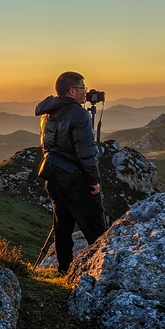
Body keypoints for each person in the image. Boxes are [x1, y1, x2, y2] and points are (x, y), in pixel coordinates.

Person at [35, 71, 108, 275]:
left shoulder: (49, 112)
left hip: (54, 176)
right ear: (72, 90)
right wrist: (93, 181)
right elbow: (86, 152)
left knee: (63, 227)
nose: (86, 92)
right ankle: (104, 271)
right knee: (96, 229)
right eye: (83, 88)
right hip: (75, 180)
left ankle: (64, 270)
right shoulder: (79, 114)